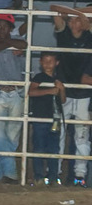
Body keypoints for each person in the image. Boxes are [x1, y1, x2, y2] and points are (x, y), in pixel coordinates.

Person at [50, 4, 92, 186]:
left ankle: (79, 175)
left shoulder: (89, 35)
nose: (75, 23)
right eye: (72, 20)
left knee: (82, 136)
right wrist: (79, 13)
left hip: (83, 93)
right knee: (59, 133)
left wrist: (80, 15)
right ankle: (56, 173)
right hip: (64, 91)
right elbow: (53, 7)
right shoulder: (63, 33)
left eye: (78, 20)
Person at [0, 14, 26, 184]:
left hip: (16, 91)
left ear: (10, 28)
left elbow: (24, 44)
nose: (1, 29)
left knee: (12, 135)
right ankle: (11, 172)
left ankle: (2, 175)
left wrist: (8, 43)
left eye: (5, 27)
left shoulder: (17, 40)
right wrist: (10, 43)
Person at [29, 52, 66, 186]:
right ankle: (38, 177)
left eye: (51, 61)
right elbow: (31, 92)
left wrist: (62, 89)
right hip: (40, 118)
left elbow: (63, 100)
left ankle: (53, 177)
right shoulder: (38, 77)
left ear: (57, 63)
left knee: (54, 148)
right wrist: (49, 91)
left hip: (55, 118)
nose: (48, 64)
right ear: (40, 62)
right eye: (45, 61)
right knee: (39, 147)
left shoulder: (58, 78)